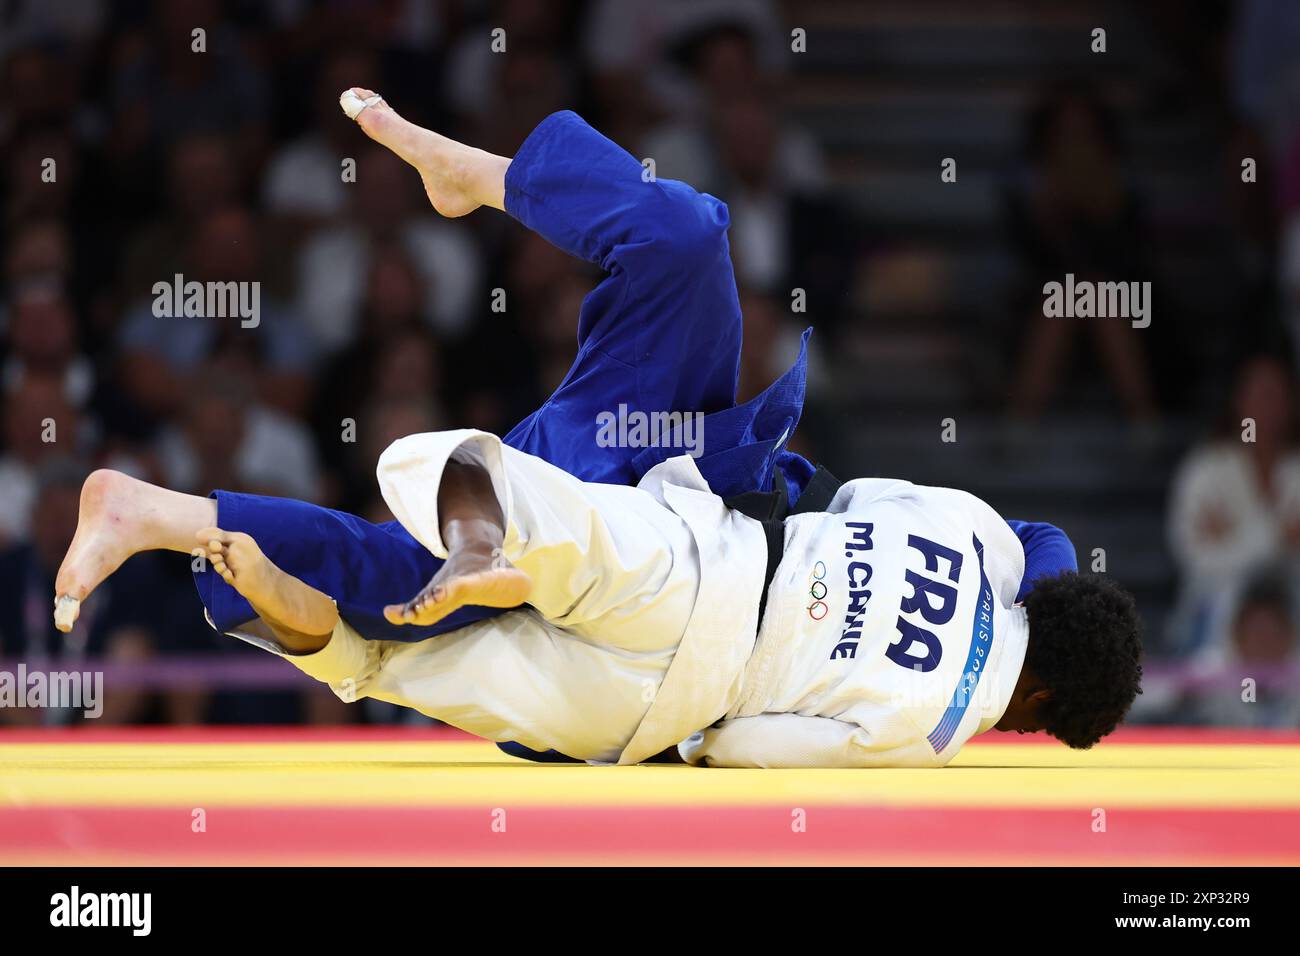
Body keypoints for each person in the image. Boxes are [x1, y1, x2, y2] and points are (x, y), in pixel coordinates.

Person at [53, 93, 1141, 766]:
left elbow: (875, 504)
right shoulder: (939, 728)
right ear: (1038, 709)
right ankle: (183, 517)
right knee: (402, 621)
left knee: (687, 234)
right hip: (675, 635)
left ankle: (489, 197)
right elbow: (759, 748)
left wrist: (1016, 569)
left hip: (693, 508)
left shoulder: (980, 543)